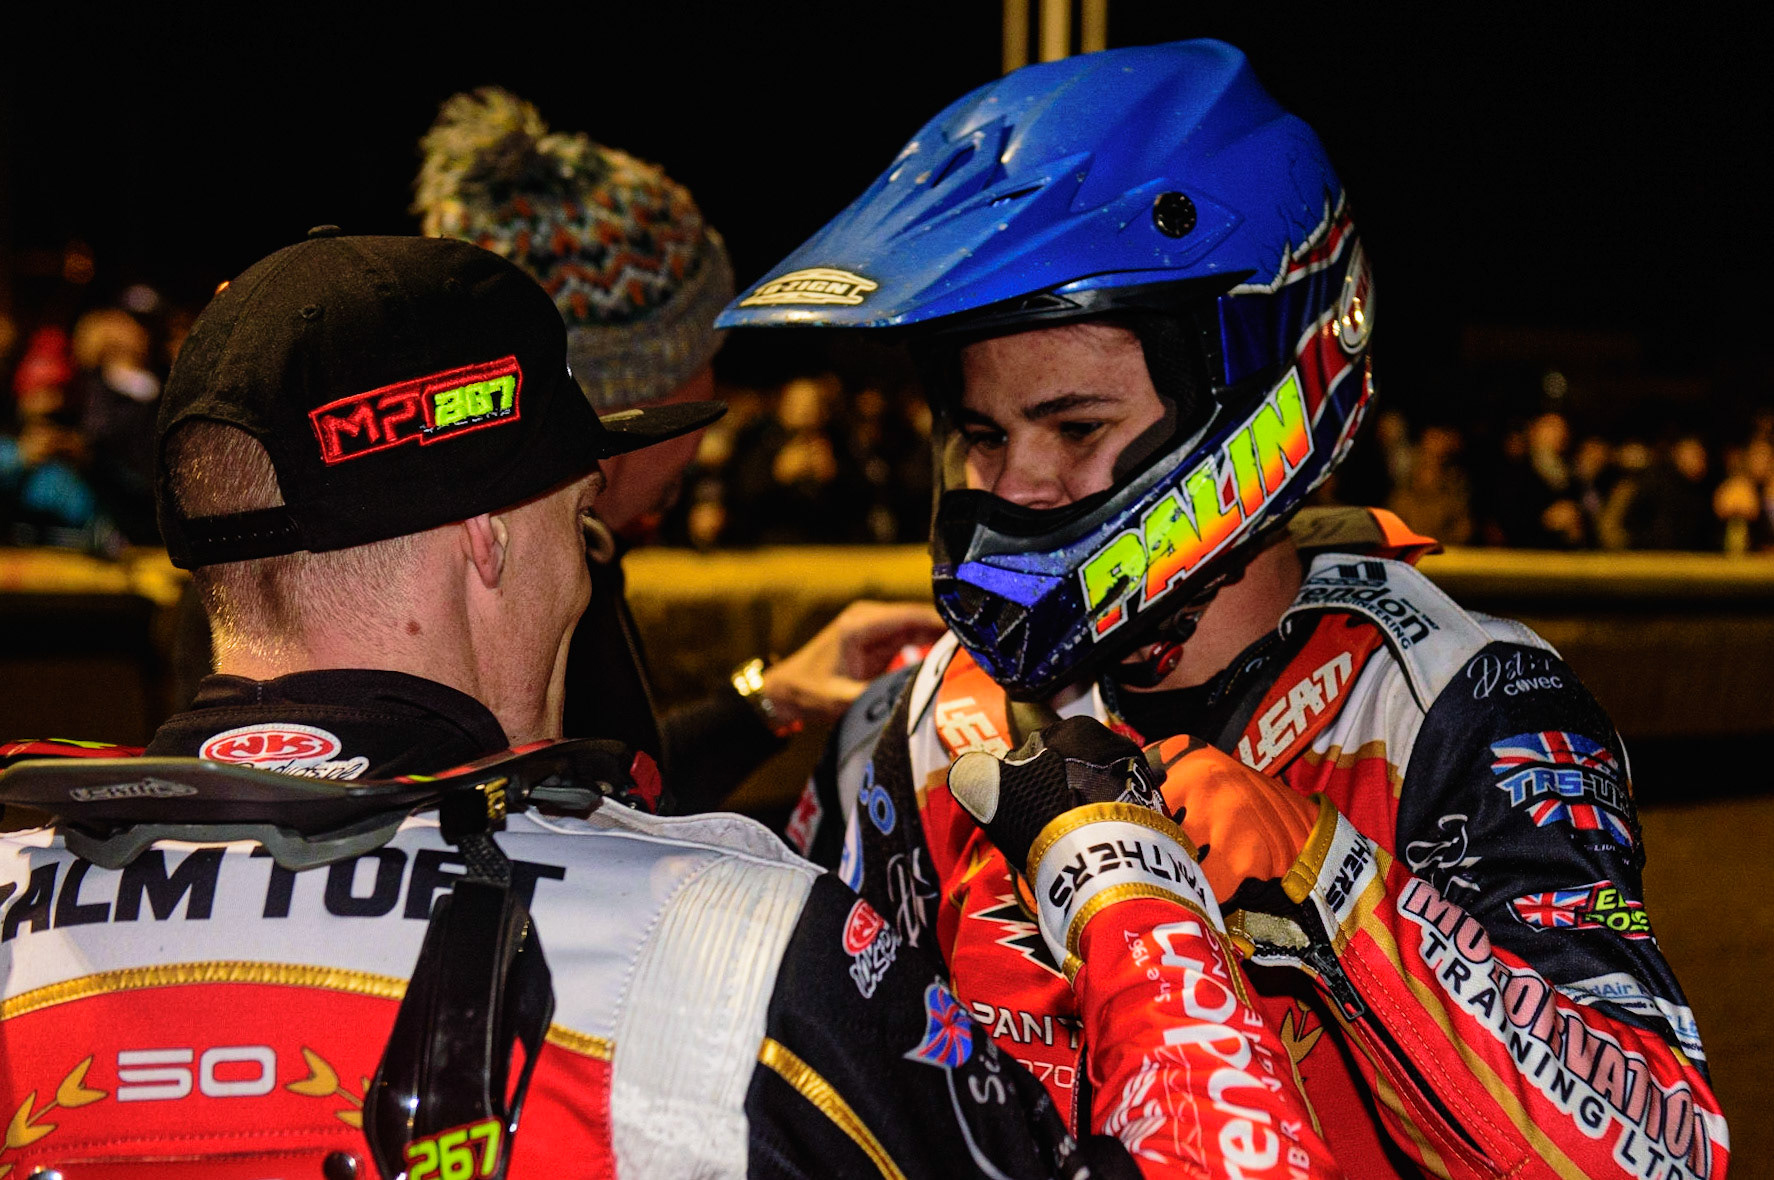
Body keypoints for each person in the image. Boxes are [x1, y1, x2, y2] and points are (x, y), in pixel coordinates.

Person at [0, 230, 1347, 1179]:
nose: (589, 565)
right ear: (488, 536)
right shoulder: (730, 934)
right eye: (579, 513)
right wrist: (1118, 875)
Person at [719, 40, 1728, 1179]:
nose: (1014, 486)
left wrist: (1329, 880)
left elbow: (1663, 1151)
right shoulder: (930, 717)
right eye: (985, 434)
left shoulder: (1452, 703)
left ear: (1255, 395)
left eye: (1077, 428)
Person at [414, 88, 941, 811]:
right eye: (707, 356)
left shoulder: (516, 545)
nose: (712, 409)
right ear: (634, 394)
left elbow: (613, 795)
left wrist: (768, 699)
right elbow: (585, 836)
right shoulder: (519, 592)